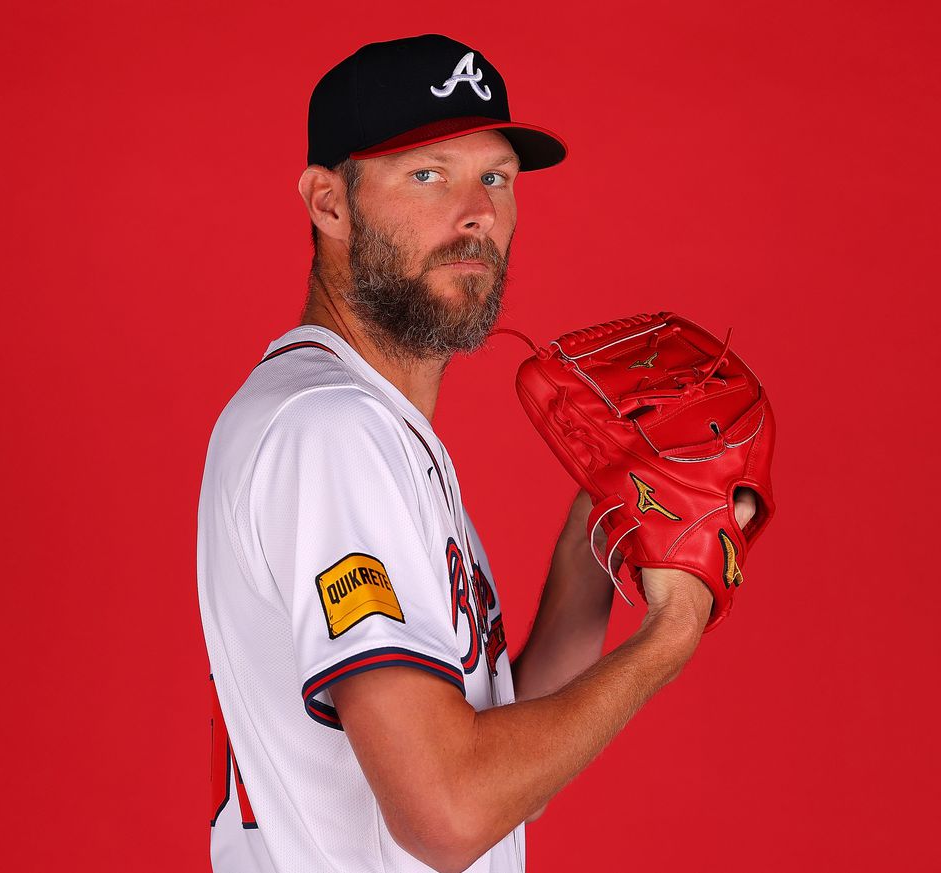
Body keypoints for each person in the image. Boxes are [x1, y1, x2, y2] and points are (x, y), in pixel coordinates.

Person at [196, 34, 757, 873]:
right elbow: (449, 814)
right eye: (429, 173)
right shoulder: (331, 433)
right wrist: (672, 633)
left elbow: (493, 751)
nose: (476, 211)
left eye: (496, 176)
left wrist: (594, 537)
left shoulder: (364, 425)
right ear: (328, 203)